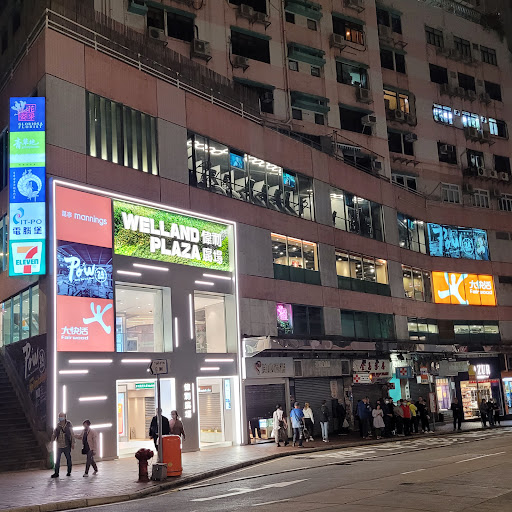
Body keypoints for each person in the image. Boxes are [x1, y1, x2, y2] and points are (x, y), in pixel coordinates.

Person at [50, 412, 75, 478]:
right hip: (59, 445)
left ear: (65, 417)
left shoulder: (68, 424)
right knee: (57, 459)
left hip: (67, 445)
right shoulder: (58, 425)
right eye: (59, 416)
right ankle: (56, 472)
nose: (60, 418)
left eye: (61, 416)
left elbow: (72, 434)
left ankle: (69, 471)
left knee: (68, 458)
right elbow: (54, 434)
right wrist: (52, 441)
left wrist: (73, 442)